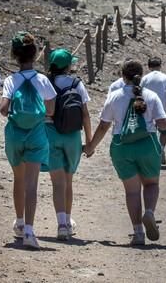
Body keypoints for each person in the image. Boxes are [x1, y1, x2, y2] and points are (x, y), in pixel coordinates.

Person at [83, 61, 166, 246]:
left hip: (121, 147)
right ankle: (149, 213)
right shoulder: (151, 96)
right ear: (141, 75)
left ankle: (138, 232)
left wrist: (90, 147)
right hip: (147, 145)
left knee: (131, 191)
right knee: (151, 184)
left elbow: (104, 125)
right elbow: (163, 123)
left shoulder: (114, 96)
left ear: (123, 76)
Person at [0, 32, 57, 250]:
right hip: (37, 134)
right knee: (32, 184)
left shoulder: (11, 80)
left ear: (14, 55)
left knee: (18, 179)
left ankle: (20, 222)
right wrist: (37, 115)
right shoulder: (42, 80)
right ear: (35, 55)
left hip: (15, 135)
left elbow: (3, 110)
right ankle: (30, 232)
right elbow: (51, 109)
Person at [44, 49, 92, 240]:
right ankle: (69, 220)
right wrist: (89, 142)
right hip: (72, 135)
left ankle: (61, 224)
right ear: (68, 66)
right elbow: (86, 114)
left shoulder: (46, 82)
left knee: (57, 183)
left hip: (51, 134)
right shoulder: (77, 83)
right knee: (68, 181)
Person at [141, 57, 166, 165]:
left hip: (147, 109)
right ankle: (161, 149)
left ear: (149, 67)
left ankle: (151, 152)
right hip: (163, 108)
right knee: (164, 131)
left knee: (149, 131)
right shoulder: (165, 77)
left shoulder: (145, 78)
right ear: (160, 66)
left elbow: (140, 92)